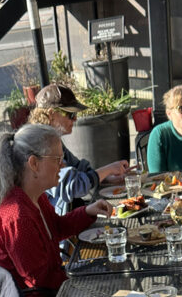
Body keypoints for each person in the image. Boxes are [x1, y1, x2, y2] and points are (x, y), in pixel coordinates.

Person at [0, 125, 111, 297]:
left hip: (47, 294)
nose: (64, 164)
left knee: (109, 278)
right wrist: (82, 280)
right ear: (34, 163)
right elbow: (39, 281)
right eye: (57, 160)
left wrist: (87, 211)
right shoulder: (16, 215)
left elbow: (55, 228)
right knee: (111, 294)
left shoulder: (32, 196)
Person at [31, 84, 129, 214]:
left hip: (68, 215)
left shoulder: (52, 139)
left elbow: (78, 167)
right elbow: (73, 186)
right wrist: (109, 169)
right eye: (71, 114)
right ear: (51, 114)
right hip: (55, 222)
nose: (75, 119)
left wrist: (107, 177)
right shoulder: (40, 145)